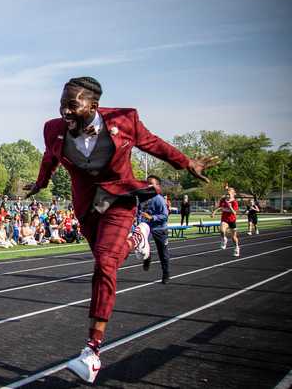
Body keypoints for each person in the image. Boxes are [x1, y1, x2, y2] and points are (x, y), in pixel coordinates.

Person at [24, 76, 216, 383]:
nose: (65, 111)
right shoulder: (53, 130)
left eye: (72, 104)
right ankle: (139, 237)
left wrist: (185, 162)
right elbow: (50, 158)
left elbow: (153, 144)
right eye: (62, 104)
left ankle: (91, 351)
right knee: (105, 261)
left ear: (94, 105)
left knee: (104, 263)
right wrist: (39, 184)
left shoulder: (125, 119)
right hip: (88, 207)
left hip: (119, 199)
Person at [139, 175, 171, 284]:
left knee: (163, 253)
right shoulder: (141, 198)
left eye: (150, 183)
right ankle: (147, 257)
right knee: (141, 246)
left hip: (160, 229)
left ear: (157, 186)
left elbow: (165, 215)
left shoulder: (159, 199)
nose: (147, 185)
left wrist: (152, 217)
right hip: (147, 228)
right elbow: (139, 212)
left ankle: (166, 273)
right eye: (146, 183)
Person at [211, 187, 240, 256]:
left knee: (233, 237)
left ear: (233, 194)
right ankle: (224, 239)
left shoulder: (234, 202)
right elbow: (219, 207)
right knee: (221, 230)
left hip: (232, 220)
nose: (227, 196)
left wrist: (230, 207)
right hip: (224, 219)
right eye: (227, 194)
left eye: (229, 194)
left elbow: (234, 213)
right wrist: (214, 212)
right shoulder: (223, 200)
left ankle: (236, 248)